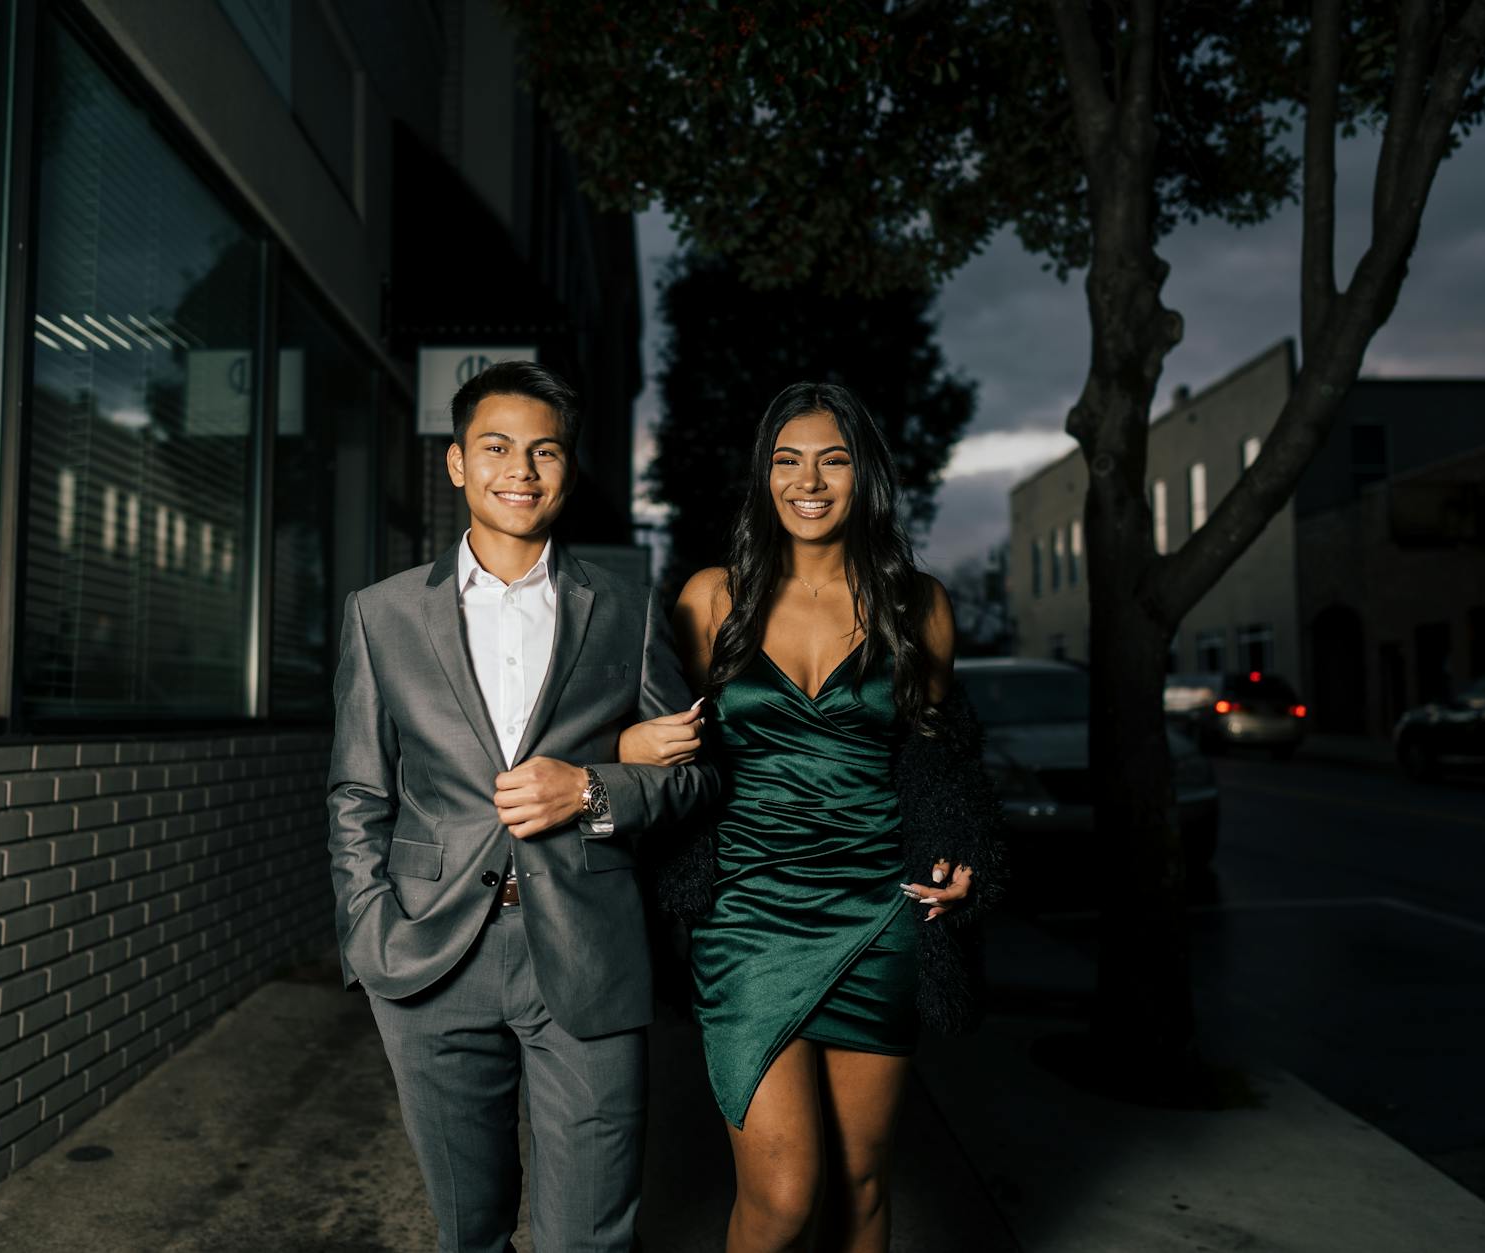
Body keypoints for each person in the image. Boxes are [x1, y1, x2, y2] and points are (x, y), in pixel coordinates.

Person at [325, 361, 719, 1253]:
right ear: (458, 463)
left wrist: (588, 788)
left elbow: (693, 774)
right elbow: (357, 790)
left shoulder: (627, 608)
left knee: (588, 1236)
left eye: (545, 451)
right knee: (470, 1232)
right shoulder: (381, 614)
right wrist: (367, 926)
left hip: (588, 948)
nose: (522, 469)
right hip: (430, 953)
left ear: (569, 471)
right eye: (497, 447)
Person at [621, 381, 994, 1253]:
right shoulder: (714, 598)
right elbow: (651, 729)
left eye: (832, 459)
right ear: (764, 477)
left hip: (880, 911)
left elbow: (944, 756)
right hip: (747, 916)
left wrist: (962, 853)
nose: (809, 480)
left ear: (864, 474)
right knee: (784, 1196)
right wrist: (630, 745)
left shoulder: (919, 605)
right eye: (787, 460)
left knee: (863, 1185)